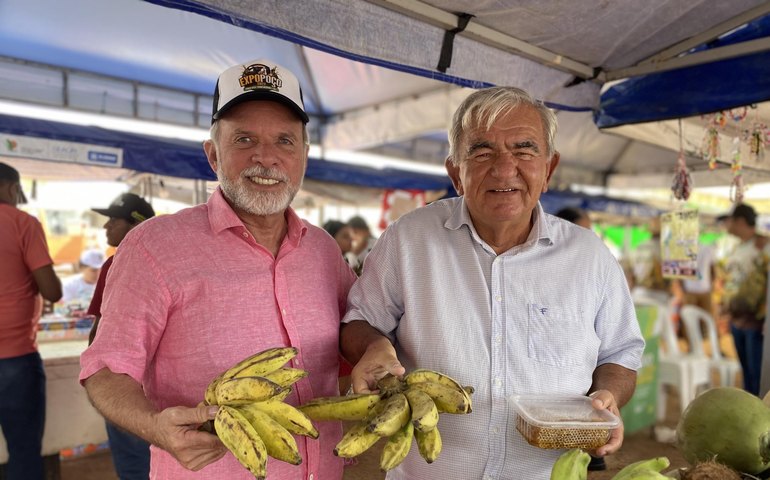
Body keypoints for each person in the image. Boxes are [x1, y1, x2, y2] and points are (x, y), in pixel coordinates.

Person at [339, 87, 645, 479]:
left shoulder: (590, 257)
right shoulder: (408, 239)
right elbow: (359, 320)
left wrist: (609, 395)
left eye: (524, 150)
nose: (504, 169)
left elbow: (621, 352)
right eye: (482, 152)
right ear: (456, 173)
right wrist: (374, 346)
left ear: (549, 169)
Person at [80, 59, 356, 479]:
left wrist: (375, 349)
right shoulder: (155, 246)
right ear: (213, 155)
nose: (265, 157)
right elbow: (105, 369)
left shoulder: (323, 250)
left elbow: (359, 326)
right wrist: (154, 426)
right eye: (244, 139)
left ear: (303, 156)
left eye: (284, 141)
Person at [86, 192, 155, 480]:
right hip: (163, 387)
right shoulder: (179, 264)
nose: (106, 226)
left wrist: (97, 376)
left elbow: (99, 331)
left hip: (127, 385)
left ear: (136, 225)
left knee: (133, 464)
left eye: (114, 220)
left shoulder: (115, 264)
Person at [0, 161, 62, 480]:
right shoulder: (22, 223)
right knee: (23, 450)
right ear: (12, 188)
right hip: (14, 356)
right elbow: (52, 290)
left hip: (14, 358)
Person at [718, 203, 768, 396]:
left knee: (758, 376)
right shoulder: (737, 248)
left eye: (729, 221)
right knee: (747, 373)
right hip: (737, 319)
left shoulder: (764, 246)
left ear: (739, 221)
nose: (727, 225)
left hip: (757, 323)